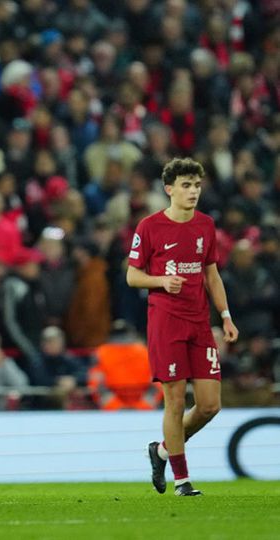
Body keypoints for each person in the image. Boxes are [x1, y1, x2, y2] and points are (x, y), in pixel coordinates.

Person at [127, 157, 238, 497]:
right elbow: (133, 276)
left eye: (197, 185)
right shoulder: (149, 227)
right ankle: (182, 480)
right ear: (169, 189)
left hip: (200, 323)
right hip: (166, 322)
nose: (193, 192)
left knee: (209, 405)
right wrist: (161, 280)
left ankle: (161, 451)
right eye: (186, 185)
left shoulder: (206, 225)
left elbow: (211, 274)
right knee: (174, 400)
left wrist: (226, 315)